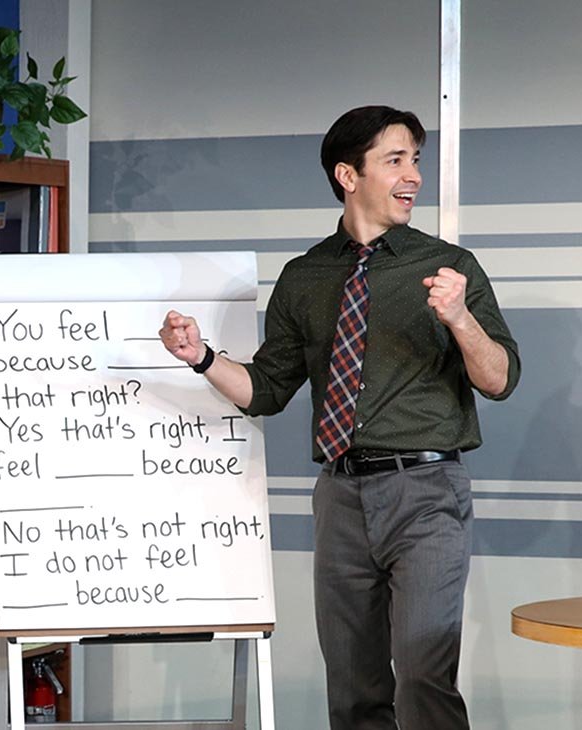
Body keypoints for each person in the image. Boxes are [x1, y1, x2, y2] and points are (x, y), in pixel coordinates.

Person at [160, 106, 519, 729]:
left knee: (423, 672)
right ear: (347, 175)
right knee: (353, 687)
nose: (413, 177)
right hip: (341, 497)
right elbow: (266, 389)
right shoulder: (306, 277)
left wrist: (460, 320)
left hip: (427, 492)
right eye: (395, 160)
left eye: (416, 161)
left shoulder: (450, 268)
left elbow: (500, 380)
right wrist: (201, 359)